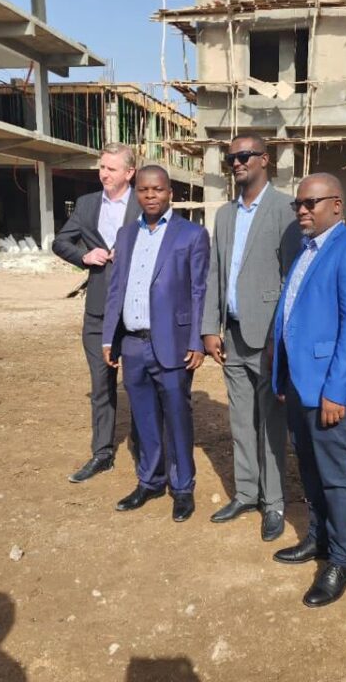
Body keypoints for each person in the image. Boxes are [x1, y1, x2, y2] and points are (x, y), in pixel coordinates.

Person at [271, 173, 346, 607]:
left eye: (310, 203)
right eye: (298, 204)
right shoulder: (306, 249)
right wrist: (283, 376)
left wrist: (336, 390)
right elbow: (293, 315)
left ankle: (341, 560)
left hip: (330, 387)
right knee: (310, 469)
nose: (302, 210)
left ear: (336, 204)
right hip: (299, 383)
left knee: (337, 477)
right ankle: (318, 537)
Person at [201, 132, 298, 541]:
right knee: (240, 419)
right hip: (234, 335)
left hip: (268, 336)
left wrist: (282, 339)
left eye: (245, 156)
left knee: (271, 423)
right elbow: (215, 273)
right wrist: (210, 327)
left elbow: (292, 278)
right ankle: (246, 492)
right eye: (231, 158)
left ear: (265, 160)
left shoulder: (285, 210)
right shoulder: (225, 215)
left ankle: (273, 501)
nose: (237, 163)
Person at [101, 166, 210, 522]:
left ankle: (182, 488)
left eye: (158, 189)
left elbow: (199, 291)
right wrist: (110, 337)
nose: (150, 195)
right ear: (137, 193)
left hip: (173, 343)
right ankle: (150, 481)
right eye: (144, 190)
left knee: (177, 417)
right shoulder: (126, 234)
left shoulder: (191, 234)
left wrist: (197, 341)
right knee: (144, 417)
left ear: (170, 193)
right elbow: (116, 288)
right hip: (133, 343)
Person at [52, 144, 142, 483]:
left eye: (111, 169)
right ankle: (102, 453)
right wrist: (84, 256)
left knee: (138, 383)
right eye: (102, 168)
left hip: (136, 311)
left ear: (129, 173)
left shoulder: (143, 202)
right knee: (101, 384)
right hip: (98, 311)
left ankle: (145, 450)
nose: (104, 174)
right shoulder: (87, 204)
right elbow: (61, 242)